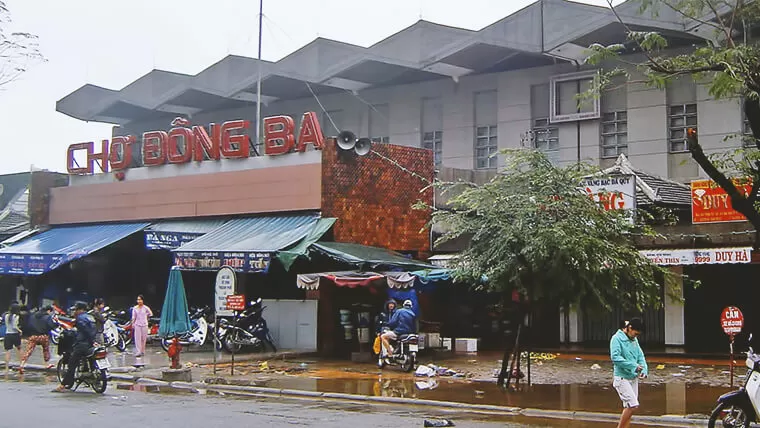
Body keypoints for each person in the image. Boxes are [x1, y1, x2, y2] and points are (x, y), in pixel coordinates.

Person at [610, 318, 648, 428]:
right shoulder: (616, 339)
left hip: (633, 378)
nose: (636, 336)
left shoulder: (634, 340)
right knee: (633, 406)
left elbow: (640, 356)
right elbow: (615, 358)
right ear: (629, 328)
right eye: (635, 333)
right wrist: (634, 366)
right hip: (622, 378)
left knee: (629, 408)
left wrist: (644, 369)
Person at [55, 303, 96, 392]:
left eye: (76, 310)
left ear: (80, 310)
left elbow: (85, 331)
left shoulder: (80, 318)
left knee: (72, 364)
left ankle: (63, 385)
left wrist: (90, 341)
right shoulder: (91, 317)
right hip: (91, 343)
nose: (74, 312)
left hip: (82, 344)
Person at [19, 306, 58, 373]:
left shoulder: (33, 316)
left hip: (33, 336)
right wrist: (56, 322)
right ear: (48, 311)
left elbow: (29, 325)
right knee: (46, 350)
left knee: (29, 350)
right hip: (43, 336)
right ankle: (46, 364)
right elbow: (51, 326)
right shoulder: (47, 317)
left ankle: (22, 365)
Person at [4, 303, 22, 372]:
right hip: (15, 335)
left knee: (8, 351)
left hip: (8, 334)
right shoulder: (16, 316)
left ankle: (6, 367)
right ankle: (21, 365)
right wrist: (20, 331)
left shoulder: (6, 316)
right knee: (19, 349)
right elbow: (15, 326)